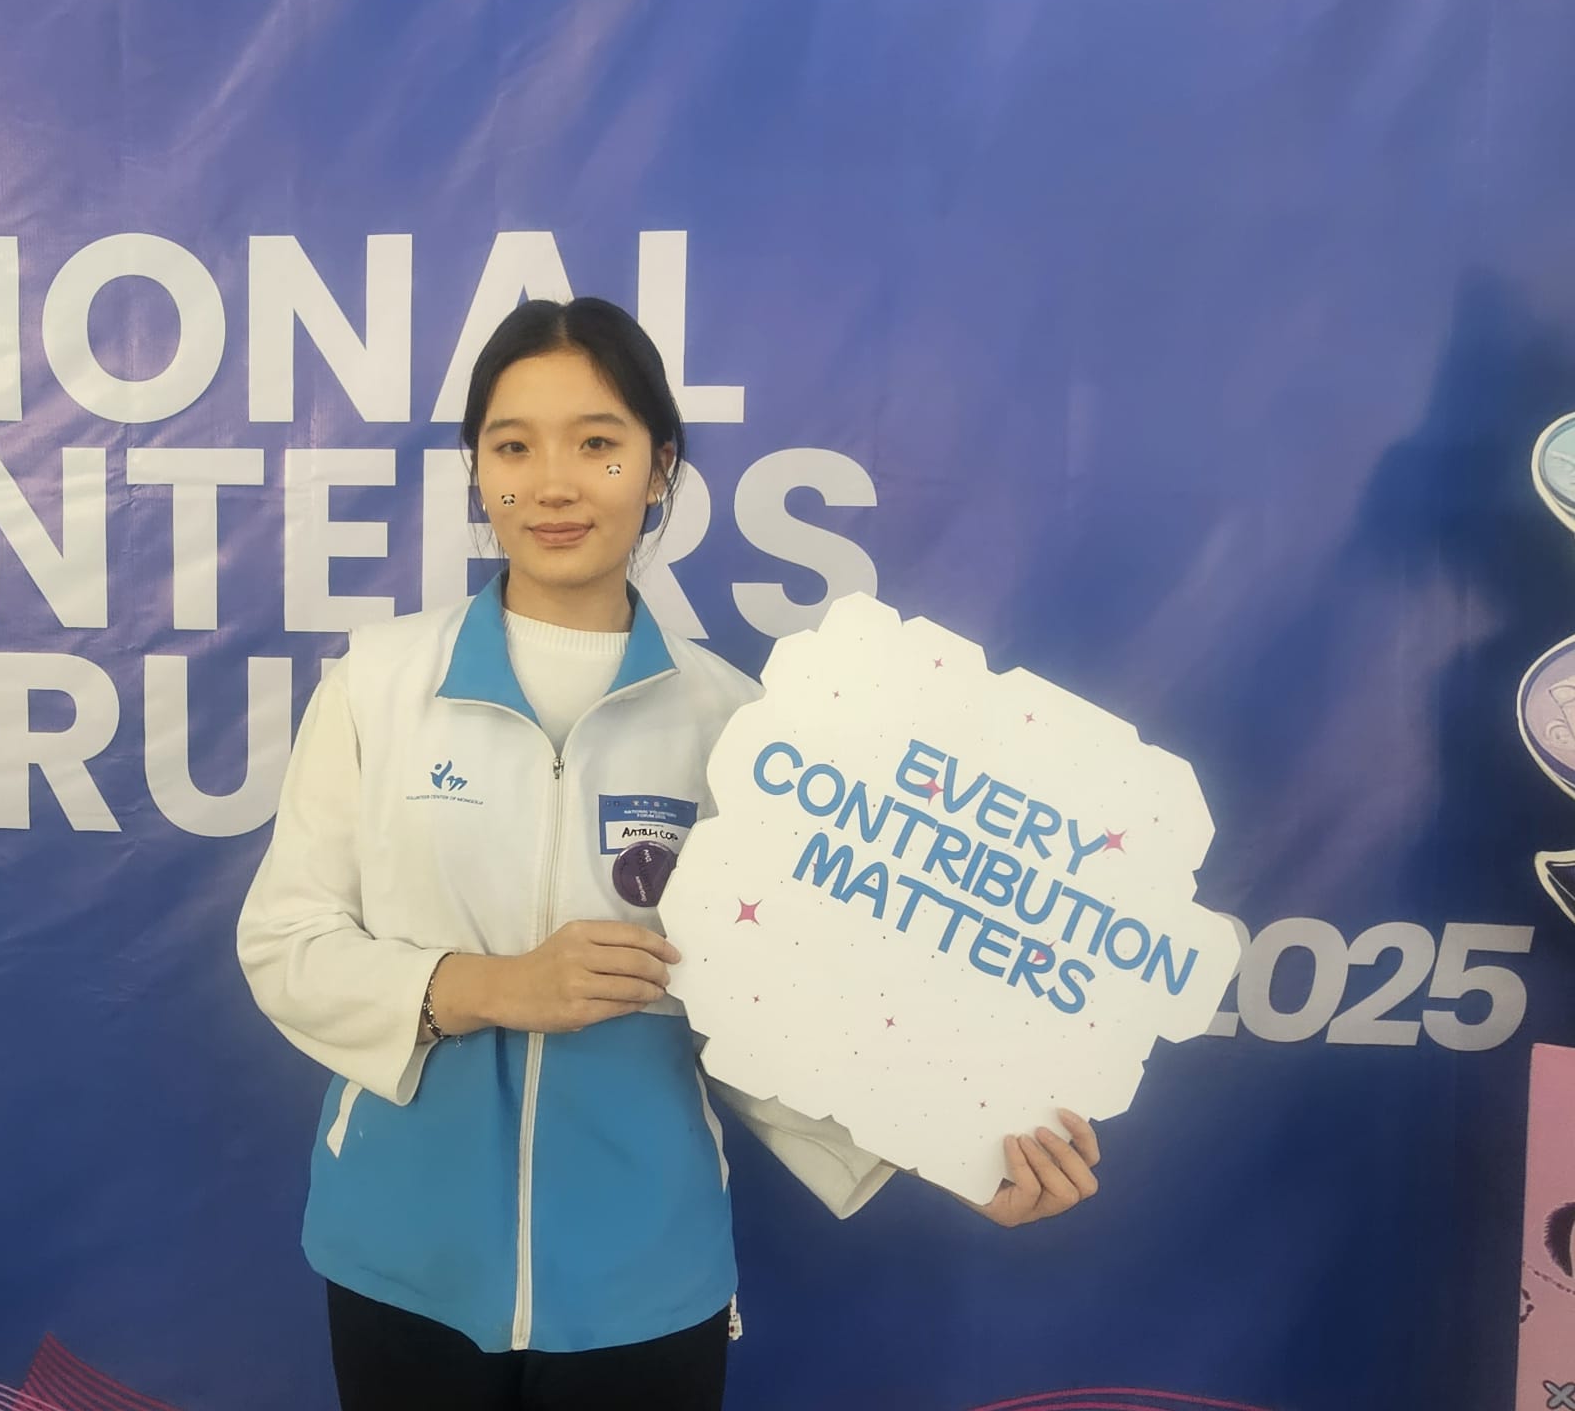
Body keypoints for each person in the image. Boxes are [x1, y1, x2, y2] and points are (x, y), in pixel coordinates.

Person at [236, 297, 1102, 1411]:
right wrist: (490, 987)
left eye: (597, 443)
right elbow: (287, 943)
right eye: (513, 447)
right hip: (401, 1259)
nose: (553, 483)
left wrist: (964, 1149)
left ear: (658, 469)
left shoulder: (736, 728)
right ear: (478, 474)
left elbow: (768, 1016)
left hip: (642, 1277)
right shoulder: (377, 685)